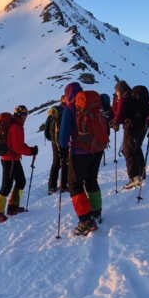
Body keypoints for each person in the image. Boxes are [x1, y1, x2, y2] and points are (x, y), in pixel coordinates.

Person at [59, 82, 105, 235]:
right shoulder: (93, 104)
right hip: (97, 149)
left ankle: (85, 220)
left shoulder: (70, 108)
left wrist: (63, 151)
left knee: (75, 185)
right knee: (92, 180)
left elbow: (63, 136)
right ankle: (96, 212)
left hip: (79, 152)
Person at [0, 105, 37, 223]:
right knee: (6, 185)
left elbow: (18, 145)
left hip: (12, 158)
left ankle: (13, 207)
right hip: (10, 159)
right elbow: (18, 147)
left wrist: (30, 149)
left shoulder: (15, 125)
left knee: (21, 181)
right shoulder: (16, 127)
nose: (25, 117)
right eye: (24, 114)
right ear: (19, 115)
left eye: (26, 114)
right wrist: (31, 151)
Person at [111, 81, 149, 189]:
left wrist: (116, 101)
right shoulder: (133, 98)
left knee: (128, 151)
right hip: (141, 126)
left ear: (120, 91)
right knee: (136, 148)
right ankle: (141, 173)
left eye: (117, 92)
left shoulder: (125, 99)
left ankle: (134, 178)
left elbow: (118, 114)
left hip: (131, 127)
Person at [44, 102, 68, 195]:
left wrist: (53, 140)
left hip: (54, 142)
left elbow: (47, 133)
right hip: (63, 142)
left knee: (56, 163)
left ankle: (51, 186)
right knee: (65, 162)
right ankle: (64, 185)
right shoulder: (65, 112)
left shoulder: (53, 113)